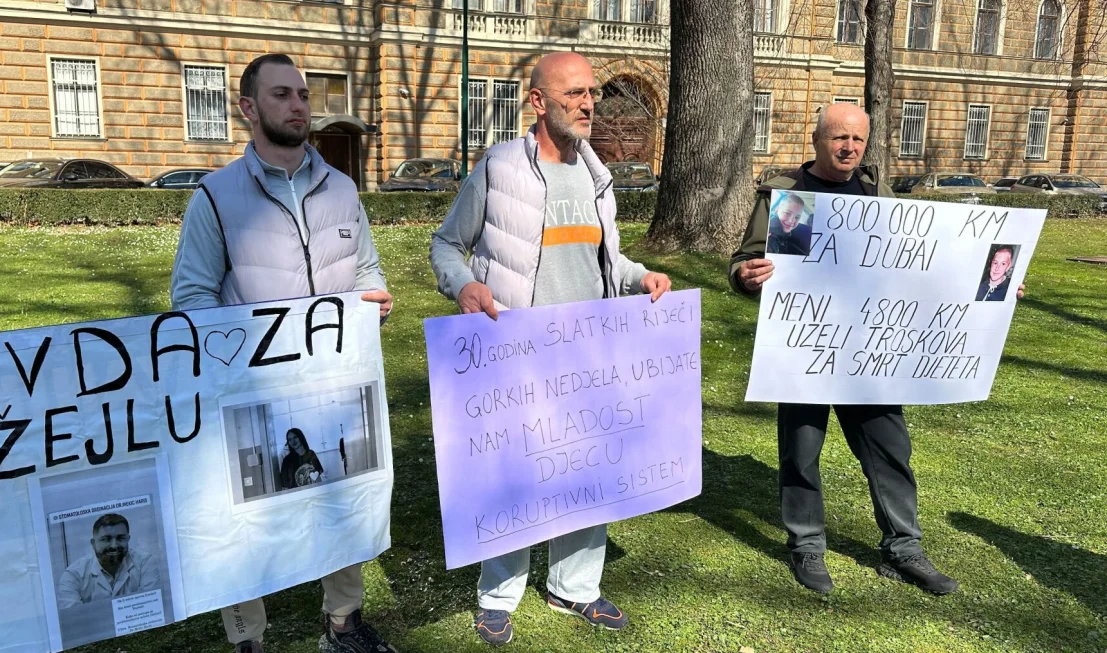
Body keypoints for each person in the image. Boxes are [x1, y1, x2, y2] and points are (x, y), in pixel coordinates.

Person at [730, 103, 1024, 597]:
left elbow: (926, 262)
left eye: (858, 140)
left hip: (872, 353)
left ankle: (903, 548)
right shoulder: (793, 201)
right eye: (838, 138)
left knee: (890, 449)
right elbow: (748, 261)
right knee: (801, 451)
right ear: (817, 139)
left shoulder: (876, 195)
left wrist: (996, 285)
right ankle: (806, 545)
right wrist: (746, 275)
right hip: (808, 349)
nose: (848, 147)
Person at [430, 51, 672, 646]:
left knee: (588, 472)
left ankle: (576, 587)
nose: (589, 104)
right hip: (518, 353)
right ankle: (498, 594)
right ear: (538, 102)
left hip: (589, 356)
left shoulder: (597, 175)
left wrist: (639, 276)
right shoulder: (498, 168)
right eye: (574, 95)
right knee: (512, 475)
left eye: (591, 93)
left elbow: (604, 260)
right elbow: (445, 246)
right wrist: (465, 285)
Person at [170, 52, 396, 653]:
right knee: (244, 515)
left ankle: (342, 625)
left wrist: (372, 301)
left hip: (336, 384)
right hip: (252, 390)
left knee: (342, 494)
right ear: (248, 108)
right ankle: (249, 639)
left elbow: (366, 270)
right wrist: (243, 347)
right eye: (282, 95)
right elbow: (190, 297)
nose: (298, 105)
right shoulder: (215, 197)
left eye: (302, 94)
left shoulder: (343, 189)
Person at [56, 513, 161, 608]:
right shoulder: (73, 575)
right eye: (106, 539)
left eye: (120, 538)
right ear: (93, 543)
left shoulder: (144, 562)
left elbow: (152, 606)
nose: (114, 545)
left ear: (128, 539)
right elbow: (73, 620)